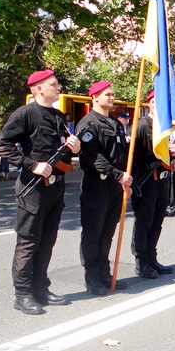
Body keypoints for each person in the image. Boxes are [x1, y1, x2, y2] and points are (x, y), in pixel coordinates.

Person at [0, 69, 80, 315]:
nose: (59, 87)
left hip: (55, 186)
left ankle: (41, 288)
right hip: (32, 189)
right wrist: (32, 165)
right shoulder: (25, 113)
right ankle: (22, 295)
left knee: (47, 240)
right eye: (54, 84)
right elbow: (4, 146)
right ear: (39, 88)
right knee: (29, 242)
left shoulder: (57, 115)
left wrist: (74, 146)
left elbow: (63, 148)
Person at [76, 81, 134, 295]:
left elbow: (122, 155)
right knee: (93, 232)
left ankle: (104, 273)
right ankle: (92, 278)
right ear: (95, 97)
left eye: (112, 94)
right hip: (96, 185)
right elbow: (94, 158)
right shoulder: (88, 124)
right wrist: (120, 176)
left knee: (108, 232)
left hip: (115, 186)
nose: (112, 97)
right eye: (107, 94)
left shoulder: (116, 124)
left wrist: (125, 181)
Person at [130, 91, 175, 279]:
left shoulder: (163, 128)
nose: (159, 105)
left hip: (163, 179)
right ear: (149, 103)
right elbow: (133, 155)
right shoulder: (141, 126)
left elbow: (166, 154)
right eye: (156, 102)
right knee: (144, 223)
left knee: (157, 222)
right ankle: (141, 262)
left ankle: (152, 257)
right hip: (146, 181)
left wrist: (171, 153)